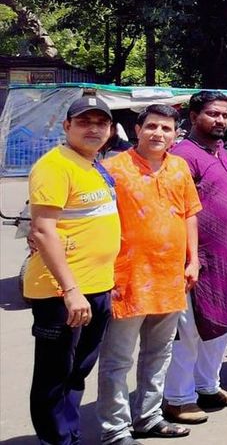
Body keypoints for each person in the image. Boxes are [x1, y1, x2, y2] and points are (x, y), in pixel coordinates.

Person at [97, 104, 201, 442]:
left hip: (171, 276)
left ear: (175, 135)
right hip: (127, 278)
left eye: (167, 129)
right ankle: (115, 429)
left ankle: (149, 417)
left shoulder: (179, 167)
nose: (159, 134)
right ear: (138, 129)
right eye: (152, 126)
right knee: (118, 358)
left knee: (159, 353)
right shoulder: (113, 169)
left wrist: (193, 259)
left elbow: (189, 214)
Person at [24, 97, 121, 444]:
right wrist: (71, 290)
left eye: (101, 122)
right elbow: (42, 231)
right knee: (54, 373)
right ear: (67, 127)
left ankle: (69, 433)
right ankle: (56, 438)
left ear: (110, 130)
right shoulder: (55, 166)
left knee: (78, 370)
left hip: (97, 287)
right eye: (84, 122)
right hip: (61, 293)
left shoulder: (95, 165)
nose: (93, 128)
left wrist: (109, 281)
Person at [165, 92, 227, 416]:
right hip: (200, 260)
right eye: (212, 114)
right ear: (193, 117)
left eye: (223, 115)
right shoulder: (182, 156)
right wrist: (190, 257)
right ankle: (178, 398)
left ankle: (207, 386)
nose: (220, 120)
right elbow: (177, 211)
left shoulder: (222, 152)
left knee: (223, 324)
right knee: (190, 329)